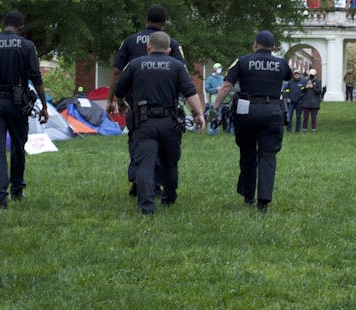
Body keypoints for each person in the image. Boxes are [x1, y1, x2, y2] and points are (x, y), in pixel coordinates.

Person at [113, 30, 204, 214]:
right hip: (170, 121)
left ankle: (146, 206)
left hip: (144, 122)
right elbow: (190, 92)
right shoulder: (177, 66)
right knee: (169, 163)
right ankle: (169, 197)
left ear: (148, 47)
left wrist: (121, 104)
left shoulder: (135, 64)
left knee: (145, 164)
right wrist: (199, 114)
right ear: (169, 50)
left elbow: (119, 89)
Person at [0, 10, 49, 209]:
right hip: (18, 103)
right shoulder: (27, 45)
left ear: (3, 24)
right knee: (17, 147)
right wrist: (44, 106)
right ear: (20, 27)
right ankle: (17, 189)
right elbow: (36, 78)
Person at [106, 5, 184, 194]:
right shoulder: (171, 43)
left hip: (135, 102)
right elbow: (181, 73)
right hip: (164, 103)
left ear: (146, 20)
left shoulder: (130, 41)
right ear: (164, 23)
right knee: (160, 145)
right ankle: (152, 183)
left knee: (137, 140)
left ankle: (139, 178)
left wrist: (112, 100)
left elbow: (117, 72)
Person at [213, 30, 293, 212]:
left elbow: (226, 86)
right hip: (273, 110)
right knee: (268, 156)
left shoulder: (242, 61)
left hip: (246, 110)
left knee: (247, 153)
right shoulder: (281, 63)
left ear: (255, 44)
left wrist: (215, 107)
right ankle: (263, 201)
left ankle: (248, 195)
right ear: (273, 47)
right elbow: (288, 76)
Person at [299, 68, 322, 132]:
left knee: (313, 118)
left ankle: (314, 129)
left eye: (312, 75)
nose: (311, 76)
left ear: (315, 75)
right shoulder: (305, 81)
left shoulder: (318, 82)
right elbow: (301, 89)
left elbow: (319, 91)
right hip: (306, 103)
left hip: (314, 103)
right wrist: (305, 86)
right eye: (310, 75)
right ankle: (304, 129)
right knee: (305, 117)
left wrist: (313, 87)